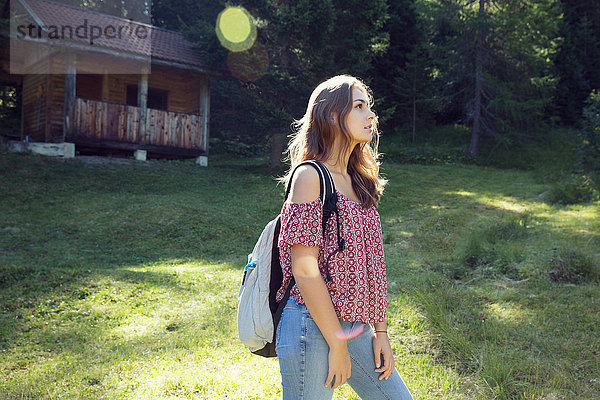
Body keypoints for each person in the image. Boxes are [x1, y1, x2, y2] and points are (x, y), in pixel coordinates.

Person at [275, 75, 414, 399]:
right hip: (311, 325)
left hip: (355, 326)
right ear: (334, 115)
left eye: (371, 108)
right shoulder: (310, 176)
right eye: (360, 106)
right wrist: (337, 344)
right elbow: (305, 271)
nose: (371, 116)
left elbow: (374, 266)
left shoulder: (359, 180)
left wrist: (380, 332)